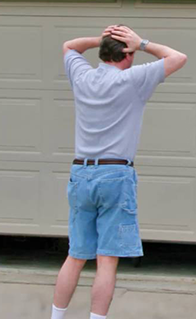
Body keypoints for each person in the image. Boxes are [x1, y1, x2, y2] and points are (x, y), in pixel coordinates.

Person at [50, 25, 187, 319]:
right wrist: (142, 42)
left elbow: (69, 46)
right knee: (106, 260)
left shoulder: (83, 77)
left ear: (102, 52)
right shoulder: (133, 80)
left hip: (81, 174)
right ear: (127, 55)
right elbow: (178, 57)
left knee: (75, 257)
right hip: (115, 176)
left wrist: (101, 40)